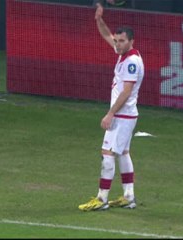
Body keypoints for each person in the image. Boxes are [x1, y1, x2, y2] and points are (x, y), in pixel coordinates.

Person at [78, 3, 144, 211]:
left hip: (122, 115)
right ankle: (128, 196)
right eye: (117, 40)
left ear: (131, 41)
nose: (117, 44)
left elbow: (126, 91)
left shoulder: (132, 62)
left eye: (122, 41)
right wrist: (99, 20)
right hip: (127, 115)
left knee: (107, 153)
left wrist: (110, 114)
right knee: (123, 152)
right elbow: (107, 35)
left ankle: (101, 199)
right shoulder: (123, 53)